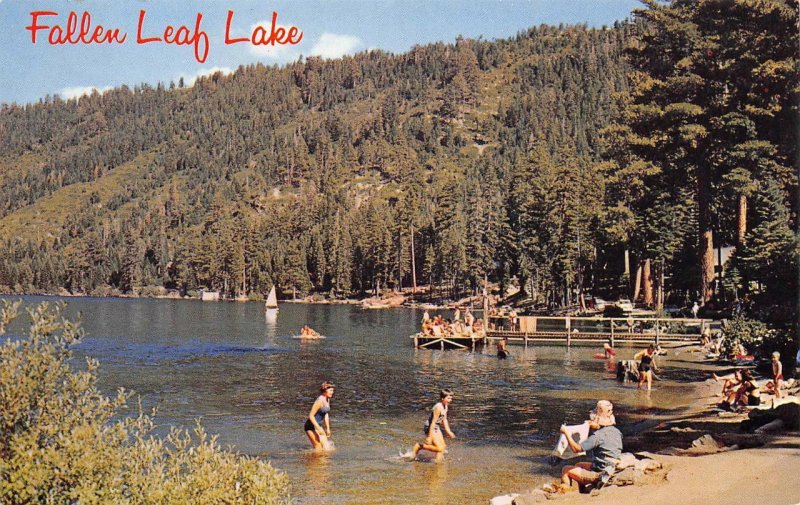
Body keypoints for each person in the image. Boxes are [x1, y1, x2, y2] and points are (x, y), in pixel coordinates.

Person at [559, 400, 622, 492]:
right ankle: (583, 491)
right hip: (612, 466)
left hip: (602, 473)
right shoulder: (617, 432)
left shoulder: (597, 436)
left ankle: (564, 493)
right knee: (578, 465)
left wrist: (566, 433)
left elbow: (576, 449)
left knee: (566, 470)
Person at [407, 389, 456, 461]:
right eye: (448, 398)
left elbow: (444, 419)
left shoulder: (445, 406)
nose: (450, 400)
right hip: (430, 426)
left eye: (451, 398)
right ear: (442, 398)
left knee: (443, 447)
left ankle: (439, 464)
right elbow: (433, 423)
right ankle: (419, 446)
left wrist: (449, 431)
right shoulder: (438, 407)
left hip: (436, 426)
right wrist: (429, 437)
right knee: (439, 448)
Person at [305, 381, 335, 450]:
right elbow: (311, 416)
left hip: (319, 425)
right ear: (325, 390)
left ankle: (324, 461)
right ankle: (312, 459)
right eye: (330, 390)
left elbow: (326, 413)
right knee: (318, 448)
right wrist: (318, 428)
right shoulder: (320, 401)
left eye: (333, 390)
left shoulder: (327, 399)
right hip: (310, 426)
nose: (332, 392)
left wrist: (327, 428)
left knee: (326, 448)